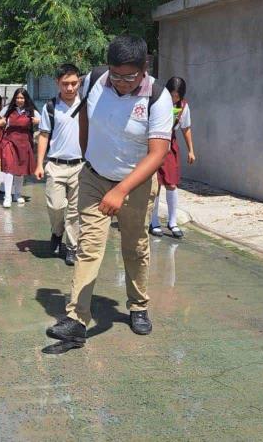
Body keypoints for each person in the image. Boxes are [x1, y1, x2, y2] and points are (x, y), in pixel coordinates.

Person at [46, 35, 173, 350]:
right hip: (94, 178)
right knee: (88, 248)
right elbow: (86, 117)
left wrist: (122, 189)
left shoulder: (158, 97)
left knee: (135, 247)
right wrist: (89, 155)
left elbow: (158, 153)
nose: (121, 82)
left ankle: (138, 305)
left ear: (144, 68)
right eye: (116, 75)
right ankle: (77, 320)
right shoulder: (95, 80)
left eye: (129, 77)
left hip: (136, 184)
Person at [34, 64, 83, 266]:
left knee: (75, 211)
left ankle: (72, 247)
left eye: (74, 83)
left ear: (79, 82)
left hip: (80, 166)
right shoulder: (51, 107)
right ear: (58, 83)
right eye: (65, 84)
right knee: (55, 205)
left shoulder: (86, 105)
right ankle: (57, 231)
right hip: (55, 165)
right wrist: (39, 164)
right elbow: (44, 135)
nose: (70, 88)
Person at [150, 76, 196, 239]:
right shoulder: (157, 101)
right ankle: (153, 221)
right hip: (154, 145)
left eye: (177, 96)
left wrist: (191, 150)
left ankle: (172, 222)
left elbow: (186, 128)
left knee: (171, 183)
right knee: (155, 185)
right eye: (171, 94)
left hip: (170, 147)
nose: (174, 98)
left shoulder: (183, 107)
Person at [0, 88, 40, 208]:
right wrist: (0, 122)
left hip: (24, 143)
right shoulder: (8, 109)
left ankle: (17, 194)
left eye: (22, 98)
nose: (19, 100)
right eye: (17, 98)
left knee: (20, 171)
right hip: (9, 141)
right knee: (10, 169)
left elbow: (44, 121)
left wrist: (38, 121)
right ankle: (7, 196)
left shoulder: (31, 111)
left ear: (25, 99)